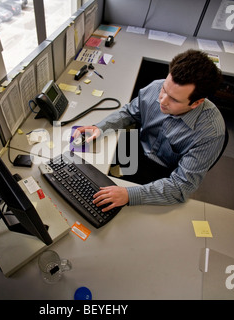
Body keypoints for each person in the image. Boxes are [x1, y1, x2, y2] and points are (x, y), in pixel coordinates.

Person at [73, 49, 225, 212]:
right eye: (165, 89)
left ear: (196, 103)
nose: (162, 100)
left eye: (174, 99)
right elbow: (130, 112)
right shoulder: (157, 87)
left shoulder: (211, 133)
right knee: (81, 170)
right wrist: (100, 127)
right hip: (136, 147)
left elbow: (181, 186)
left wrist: (129, 195)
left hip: (161, 172)